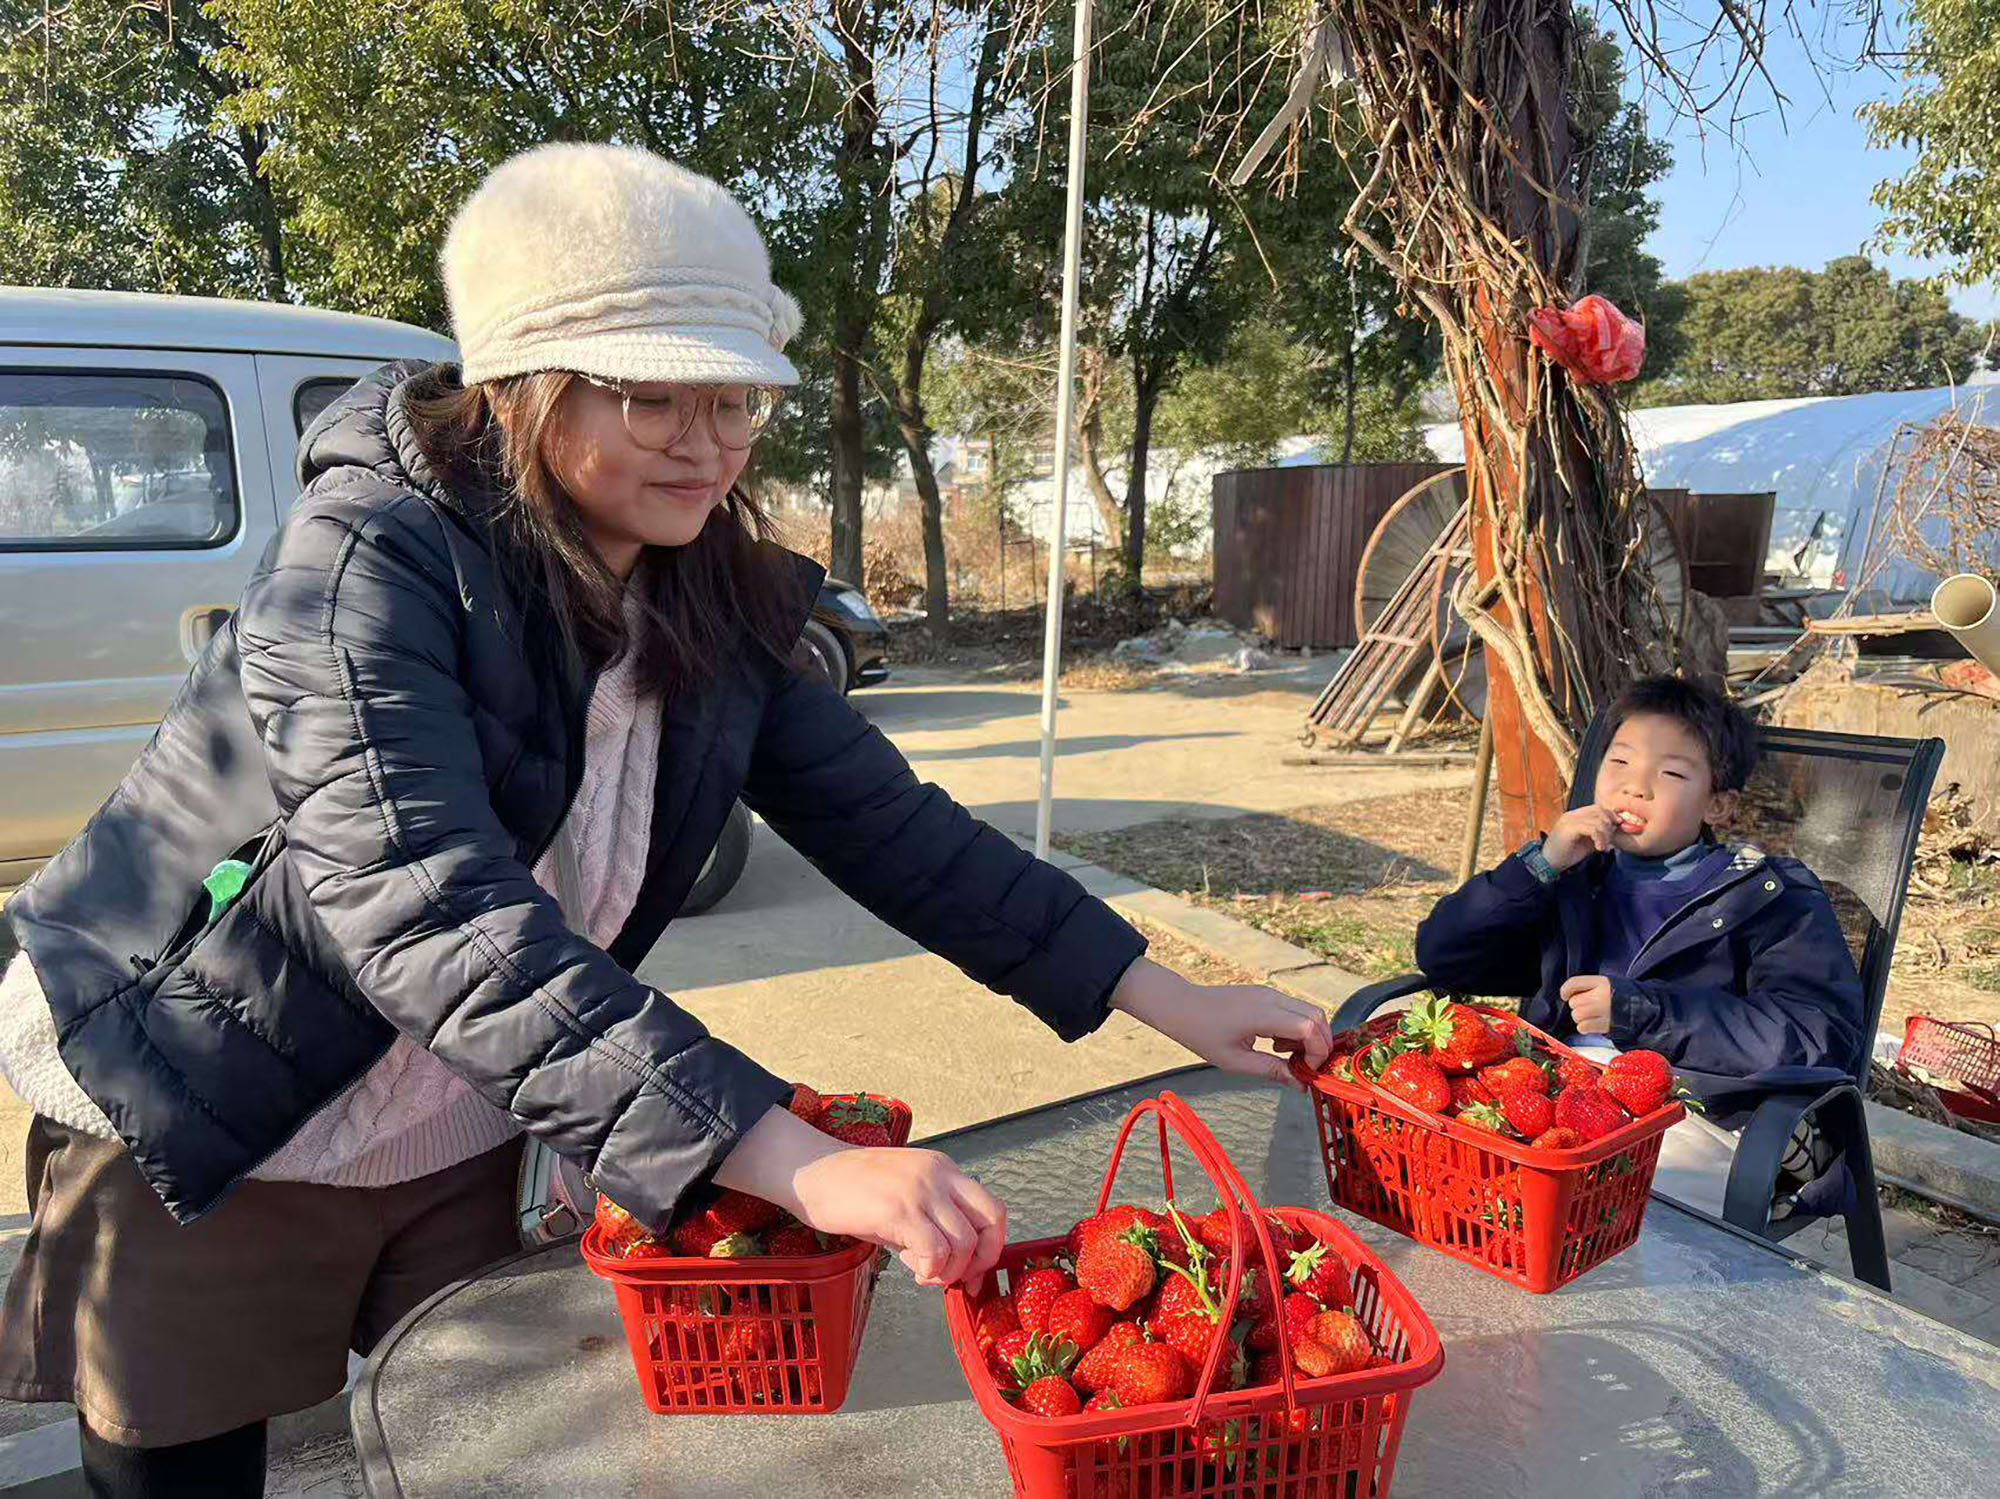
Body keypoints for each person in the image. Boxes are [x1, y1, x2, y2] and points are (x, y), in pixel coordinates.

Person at [0, 144, 1331, 1496]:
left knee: (488, 1449)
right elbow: (424, 899)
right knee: (185, 1472)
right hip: (211, 1088)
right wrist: (794, 1159)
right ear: (525, 386)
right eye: (653, 399)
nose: (710, 446)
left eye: (737, 399)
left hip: (468, 1093)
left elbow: (899, 829)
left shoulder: (712, 587)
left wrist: (1170, 996)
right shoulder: (368, 558)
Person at [1413, 673, 1864, 1216]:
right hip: (1559, 1103)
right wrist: (1539, 866)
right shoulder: (1576, 876)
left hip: (1689, 1114)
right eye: (1619, 763)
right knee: (1436, 1155)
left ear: (1718, 806)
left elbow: (1821, 1034)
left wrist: (1642, 1011)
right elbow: (1443, 957)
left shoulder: (1769, 896)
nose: (1635, 787)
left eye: (1670, 773)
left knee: (1572, 1207)